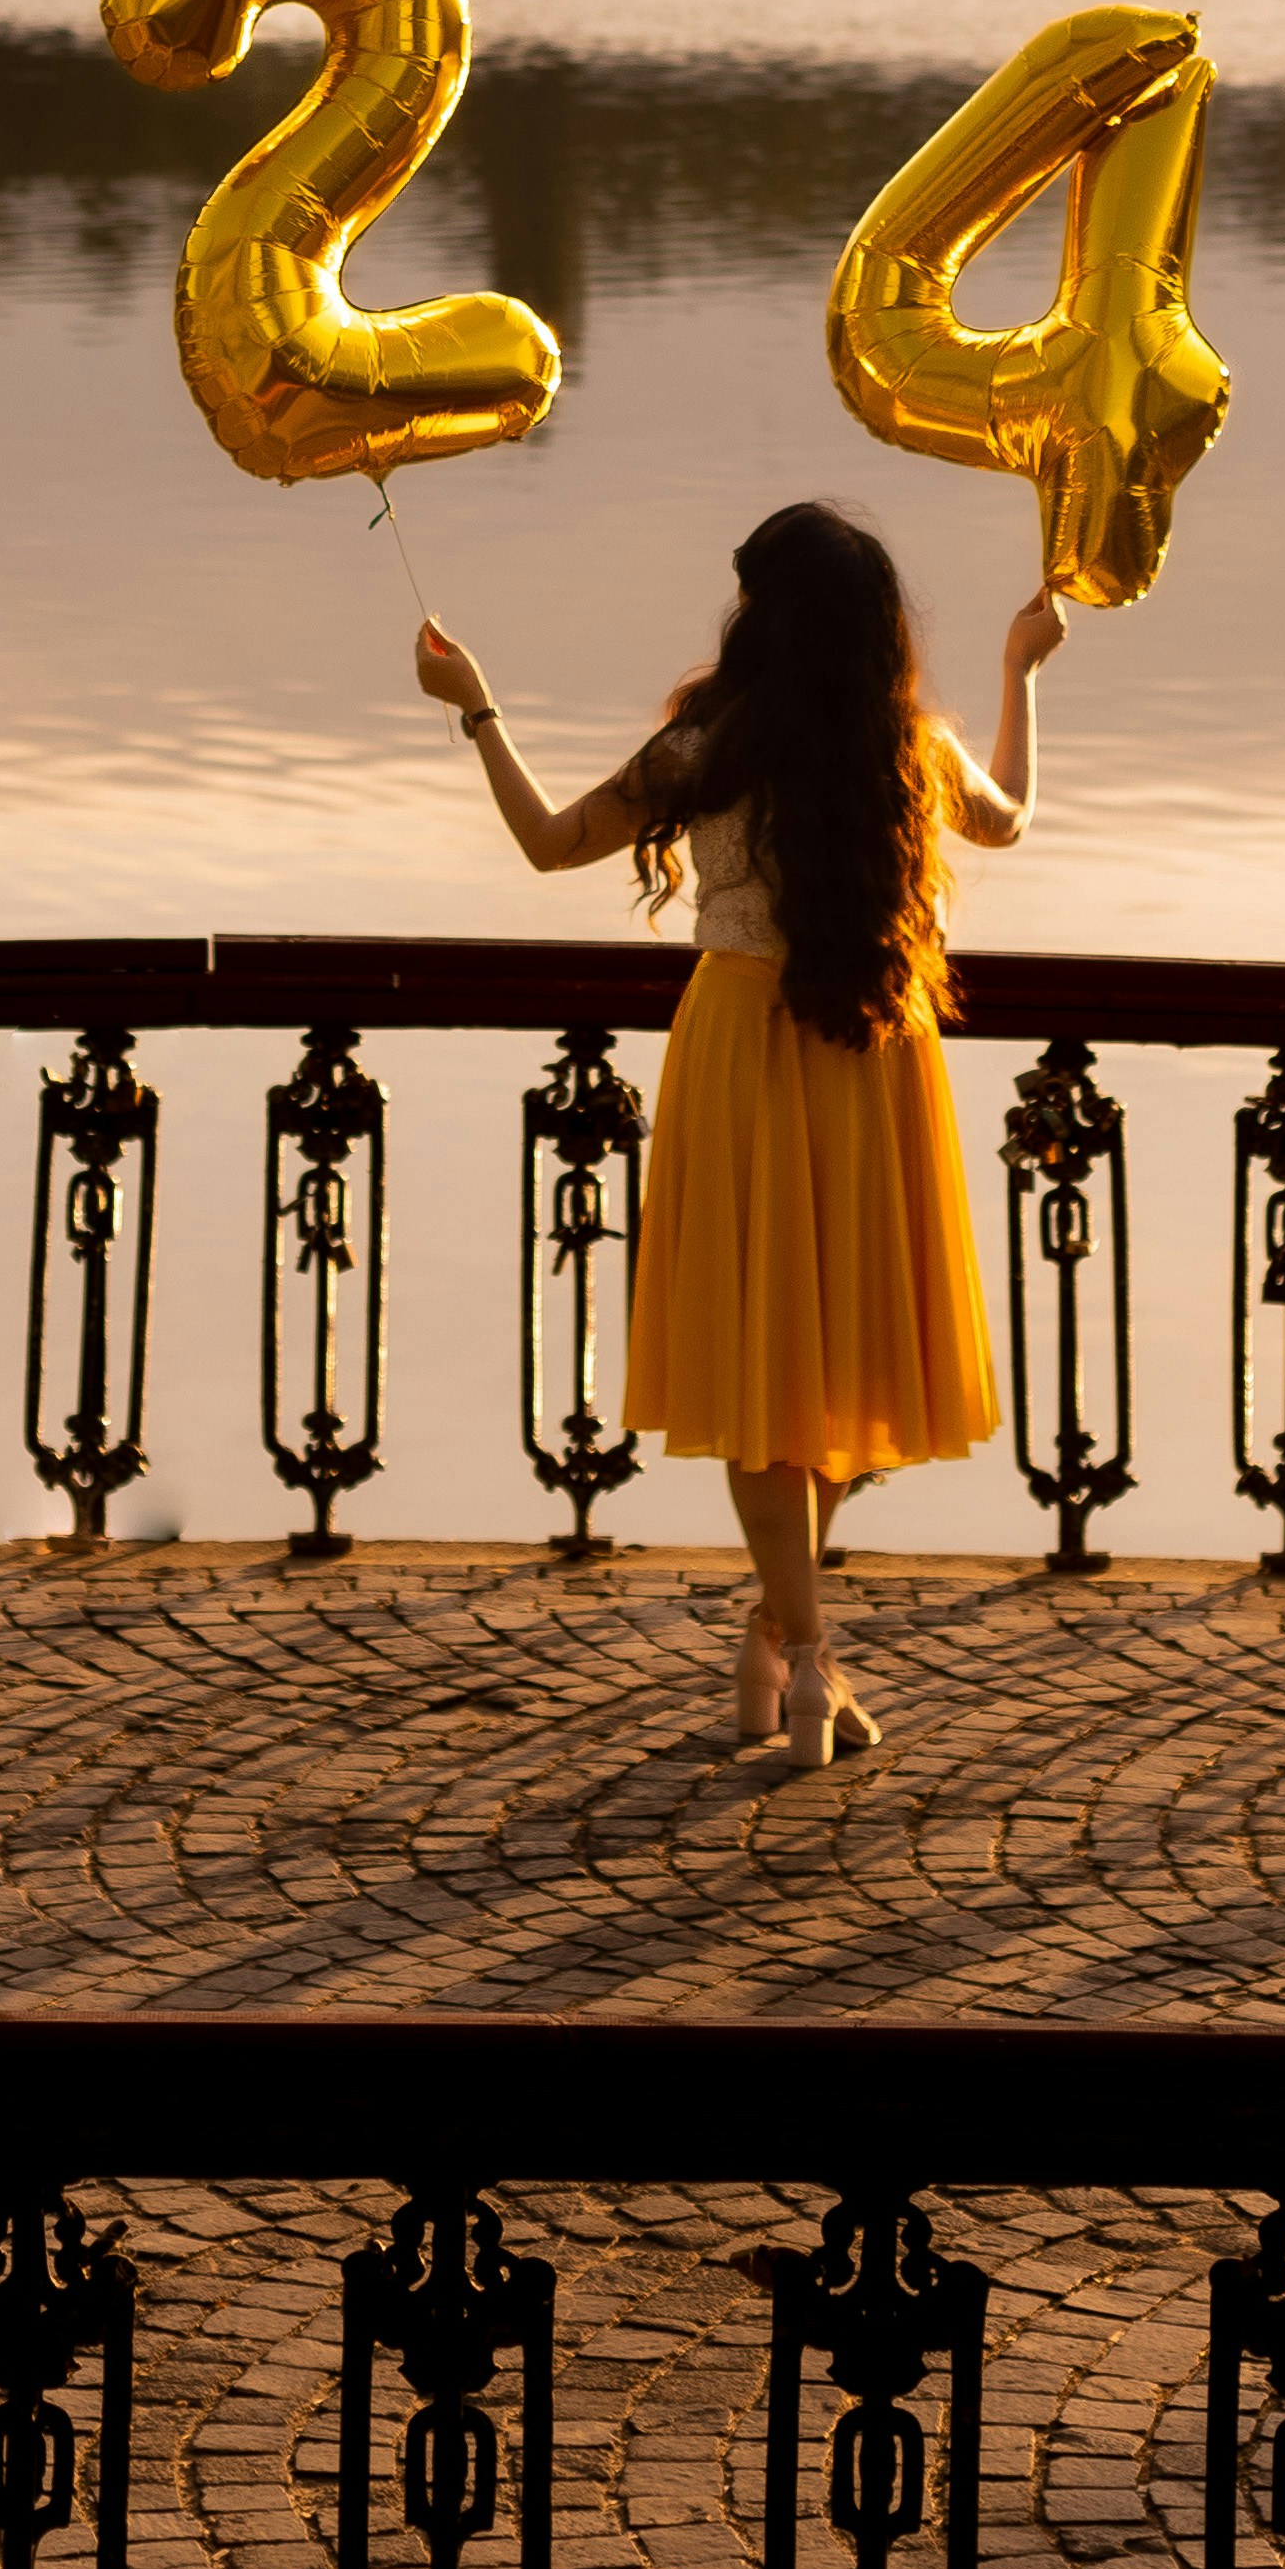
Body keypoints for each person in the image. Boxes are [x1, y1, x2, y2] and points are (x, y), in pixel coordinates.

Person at [415, 500, 1064, 1774]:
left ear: (756, 616)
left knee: (767, 1374)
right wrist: (1016, 672)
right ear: (876, 633)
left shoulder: (701, 746)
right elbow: (1008, 822)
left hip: (733, 1047)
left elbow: (550, 846)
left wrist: (475, 707)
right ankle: (798, 1653)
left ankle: (789, 1642)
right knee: (862, 1357)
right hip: (869, 1052)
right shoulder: (904, 745)